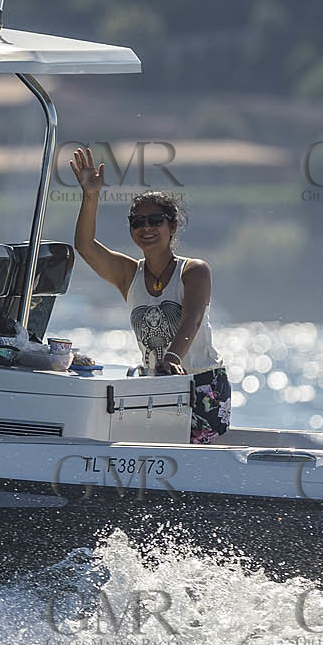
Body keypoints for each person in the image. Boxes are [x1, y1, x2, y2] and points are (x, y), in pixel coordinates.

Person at [69, 148, 231, 444]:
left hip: (202, 386)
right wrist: (90, 195)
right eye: (137, 222)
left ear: (173, 226)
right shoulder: (128, 274)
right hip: (155, 386)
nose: (146, 228)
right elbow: (85, 247)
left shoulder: (194, 270)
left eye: (155, 221)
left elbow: (192, 319)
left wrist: (172, 358)